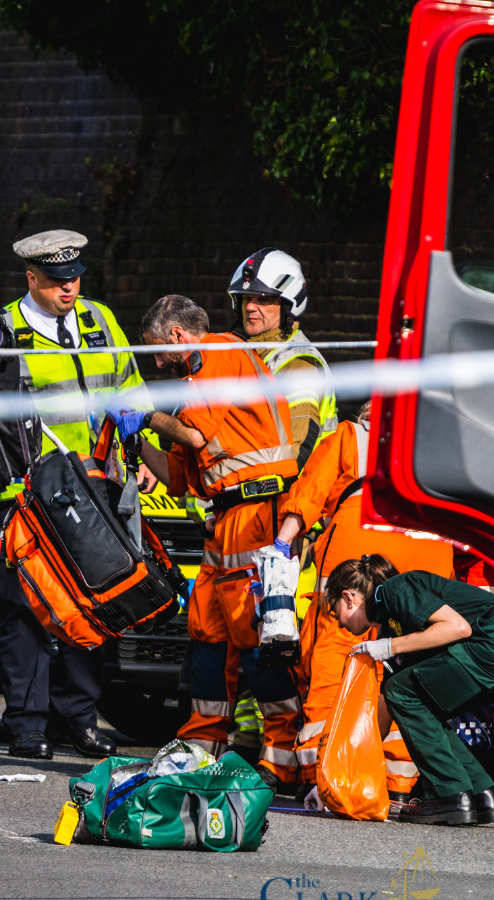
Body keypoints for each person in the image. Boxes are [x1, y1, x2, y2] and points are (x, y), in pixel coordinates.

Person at [112, 294, 301, 792]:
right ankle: (200, 748)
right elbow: (177, 478)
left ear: (177, 337)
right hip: (228, 517)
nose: (155, 362)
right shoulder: (196, 383)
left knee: (256, 636)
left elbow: (194, 439)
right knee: (208, 638)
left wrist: (146, 416)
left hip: (257, 514)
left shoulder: (218, 353)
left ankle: (281, 759)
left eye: (156, 350)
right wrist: (136, 440)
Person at [0, 229, 149, 760]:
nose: (68, 288)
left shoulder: (98, 321)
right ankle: (27, 727)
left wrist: (138, 449)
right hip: (27, 492)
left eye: (74, 278)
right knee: (25, 608)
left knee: (93, 603)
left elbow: (130, 388)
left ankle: (76, 719)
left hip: (93, 489)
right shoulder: (2, 331)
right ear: (30, 278)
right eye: (56, 280)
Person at [273, 402, 451, 801]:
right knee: (413, 665)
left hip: (362, 534)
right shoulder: (445, 445)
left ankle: (326, 773)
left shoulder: (351, 437)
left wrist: (282, 545)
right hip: (430, 548)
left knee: (338, 655)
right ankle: (396, 781)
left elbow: (308, 496)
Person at [326, 555, 494, 825]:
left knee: (402, 691)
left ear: (348, 598)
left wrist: (391, 647)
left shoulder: (394, 590)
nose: (339, 623)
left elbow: (458, 628)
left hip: (488, 641)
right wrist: (335, 780)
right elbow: (386, 708)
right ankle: (480, 793)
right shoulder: (392, 625)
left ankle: (450, 795)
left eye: (336, 612)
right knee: (423, 703)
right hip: (485, 651)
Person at [228, 249, 337, 466]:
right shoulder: (248, 354)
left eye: (263, 299)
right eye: (247, 297)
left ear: (288, 305)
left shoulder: (298, 365)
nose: (250, 306)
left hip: (289, 497)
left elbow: (295, 455)